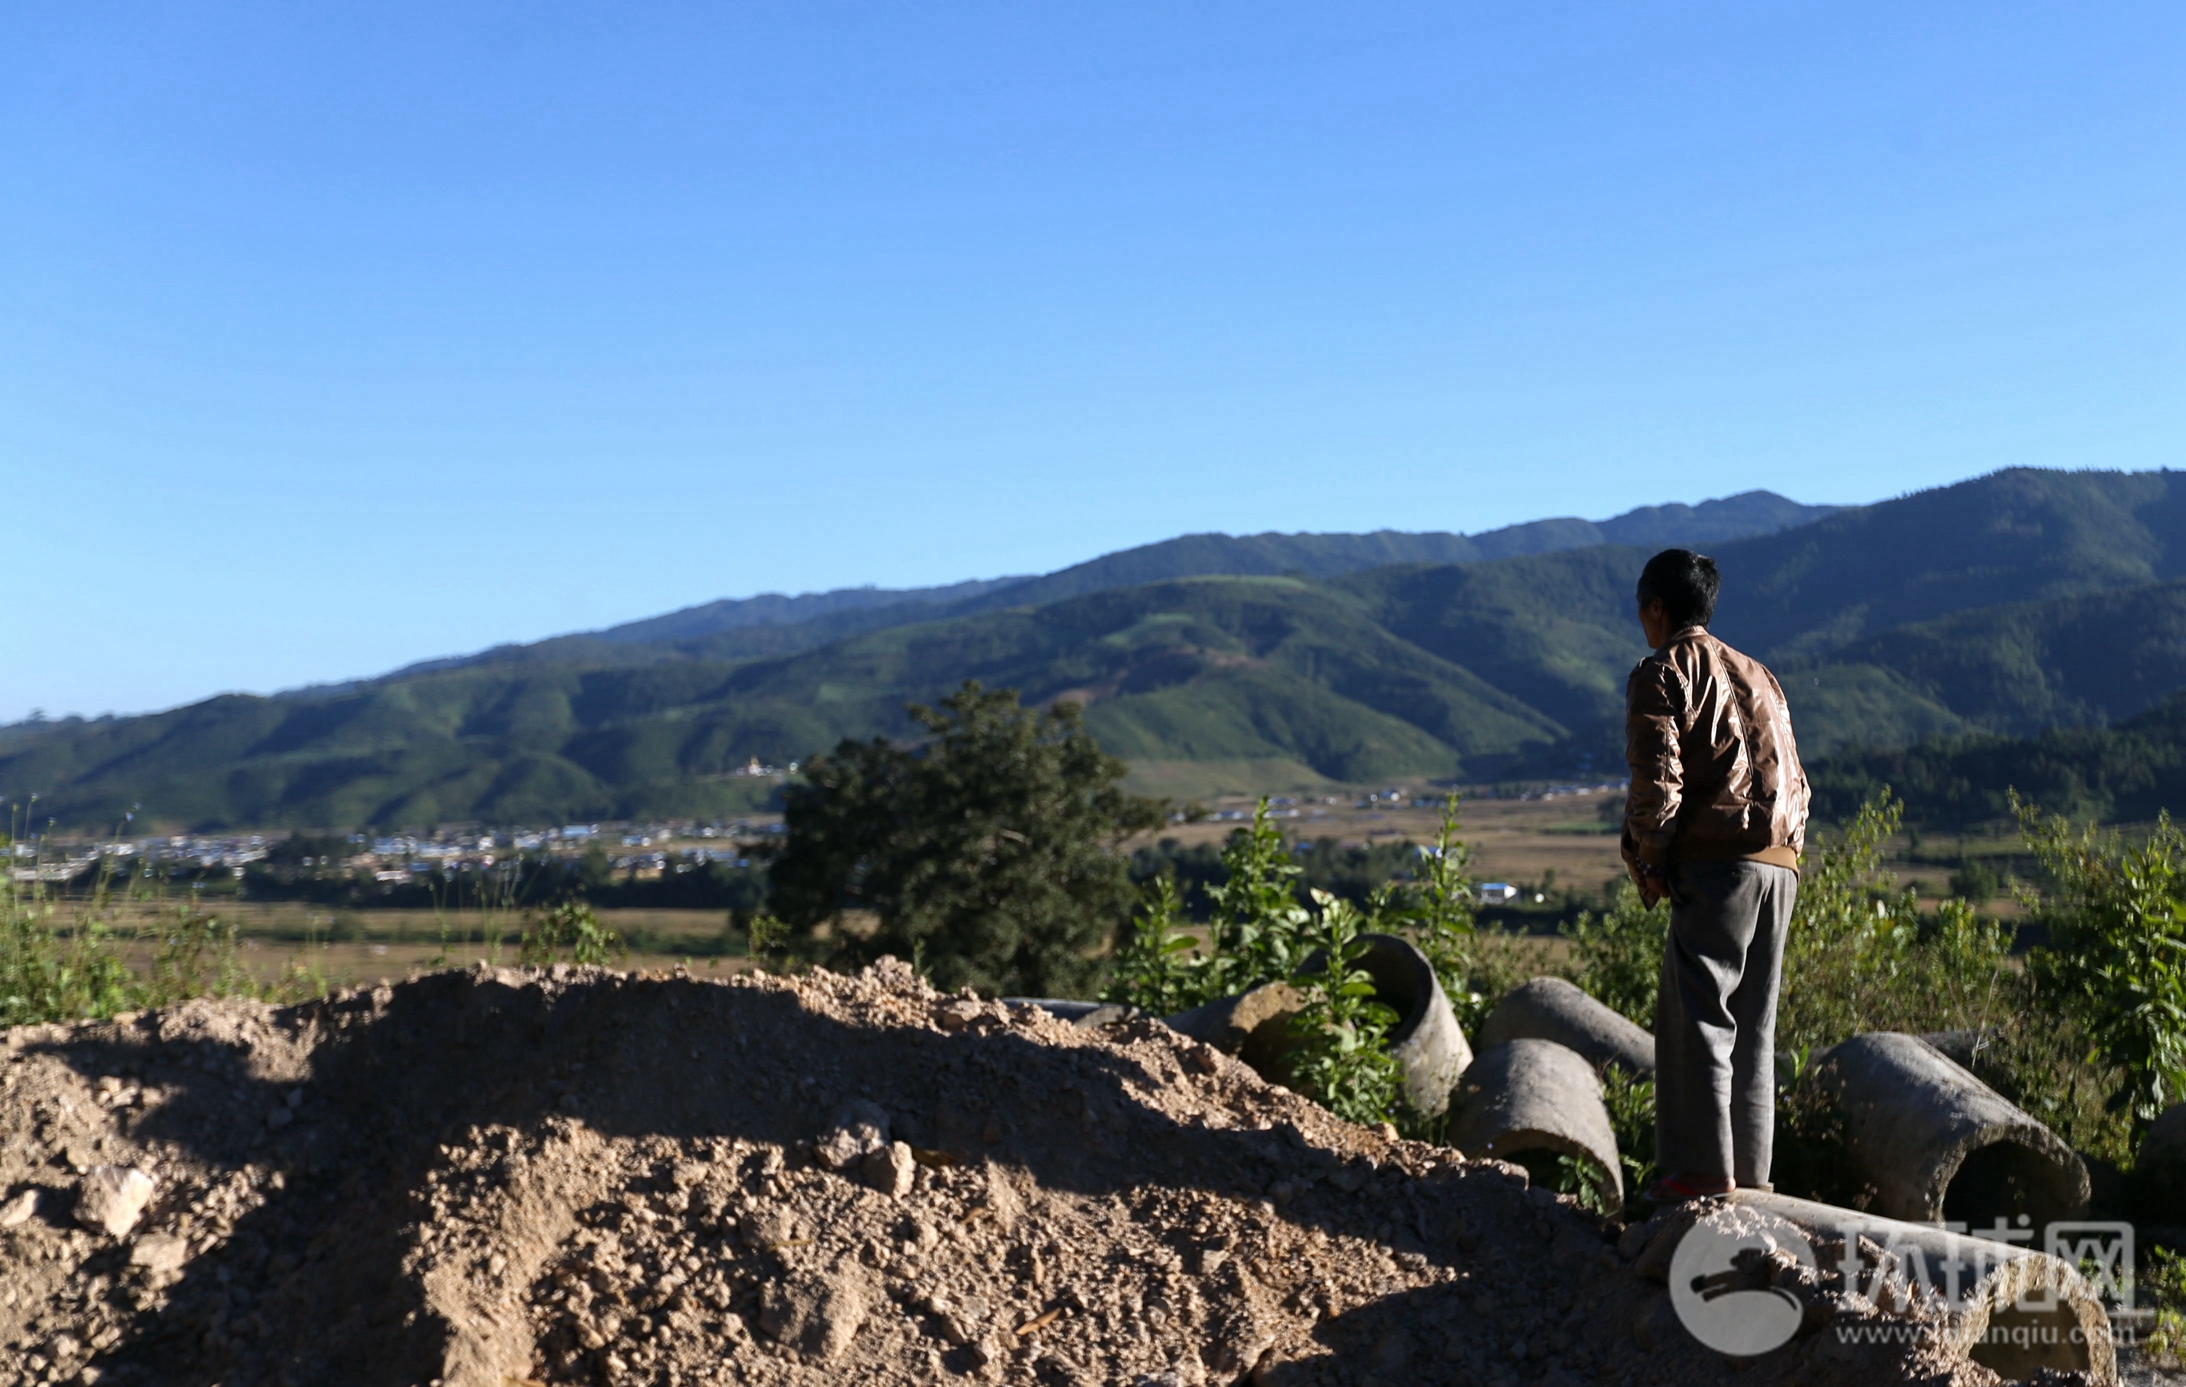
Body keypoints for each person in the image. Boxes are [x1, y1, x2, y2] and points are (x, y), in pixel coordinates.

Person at [1621, 548, 1809, 1204]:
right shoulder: (1762, 674)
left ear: (1655, 608)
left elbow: (1658, 780)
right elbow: (1796, 777)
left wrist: (1649, 856)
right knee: (1756, 1023)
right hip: (1781, 863)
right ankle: (1751, 1179)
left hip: (1716, 864)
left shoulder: (1661, 670)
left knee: (1697, 1015)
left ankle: (1698, 1176)